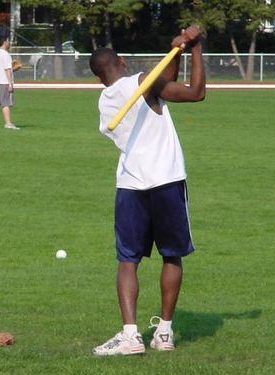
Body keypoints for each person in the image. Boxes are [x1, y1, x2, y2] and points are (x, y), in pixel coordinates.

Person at [89, 25, 205, 356]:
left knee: (128, 261)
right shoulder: (142, 83)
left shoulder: (105, 103)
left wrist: (177, 50)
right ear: (122, 61)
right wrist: (196, 48)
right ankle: (164, 333)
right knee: (172, 254)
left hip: (130, 185)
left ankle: (130, 336)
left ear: (100, 77)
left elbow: (157, 82)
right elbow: (195, 92)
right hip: (167, 179)